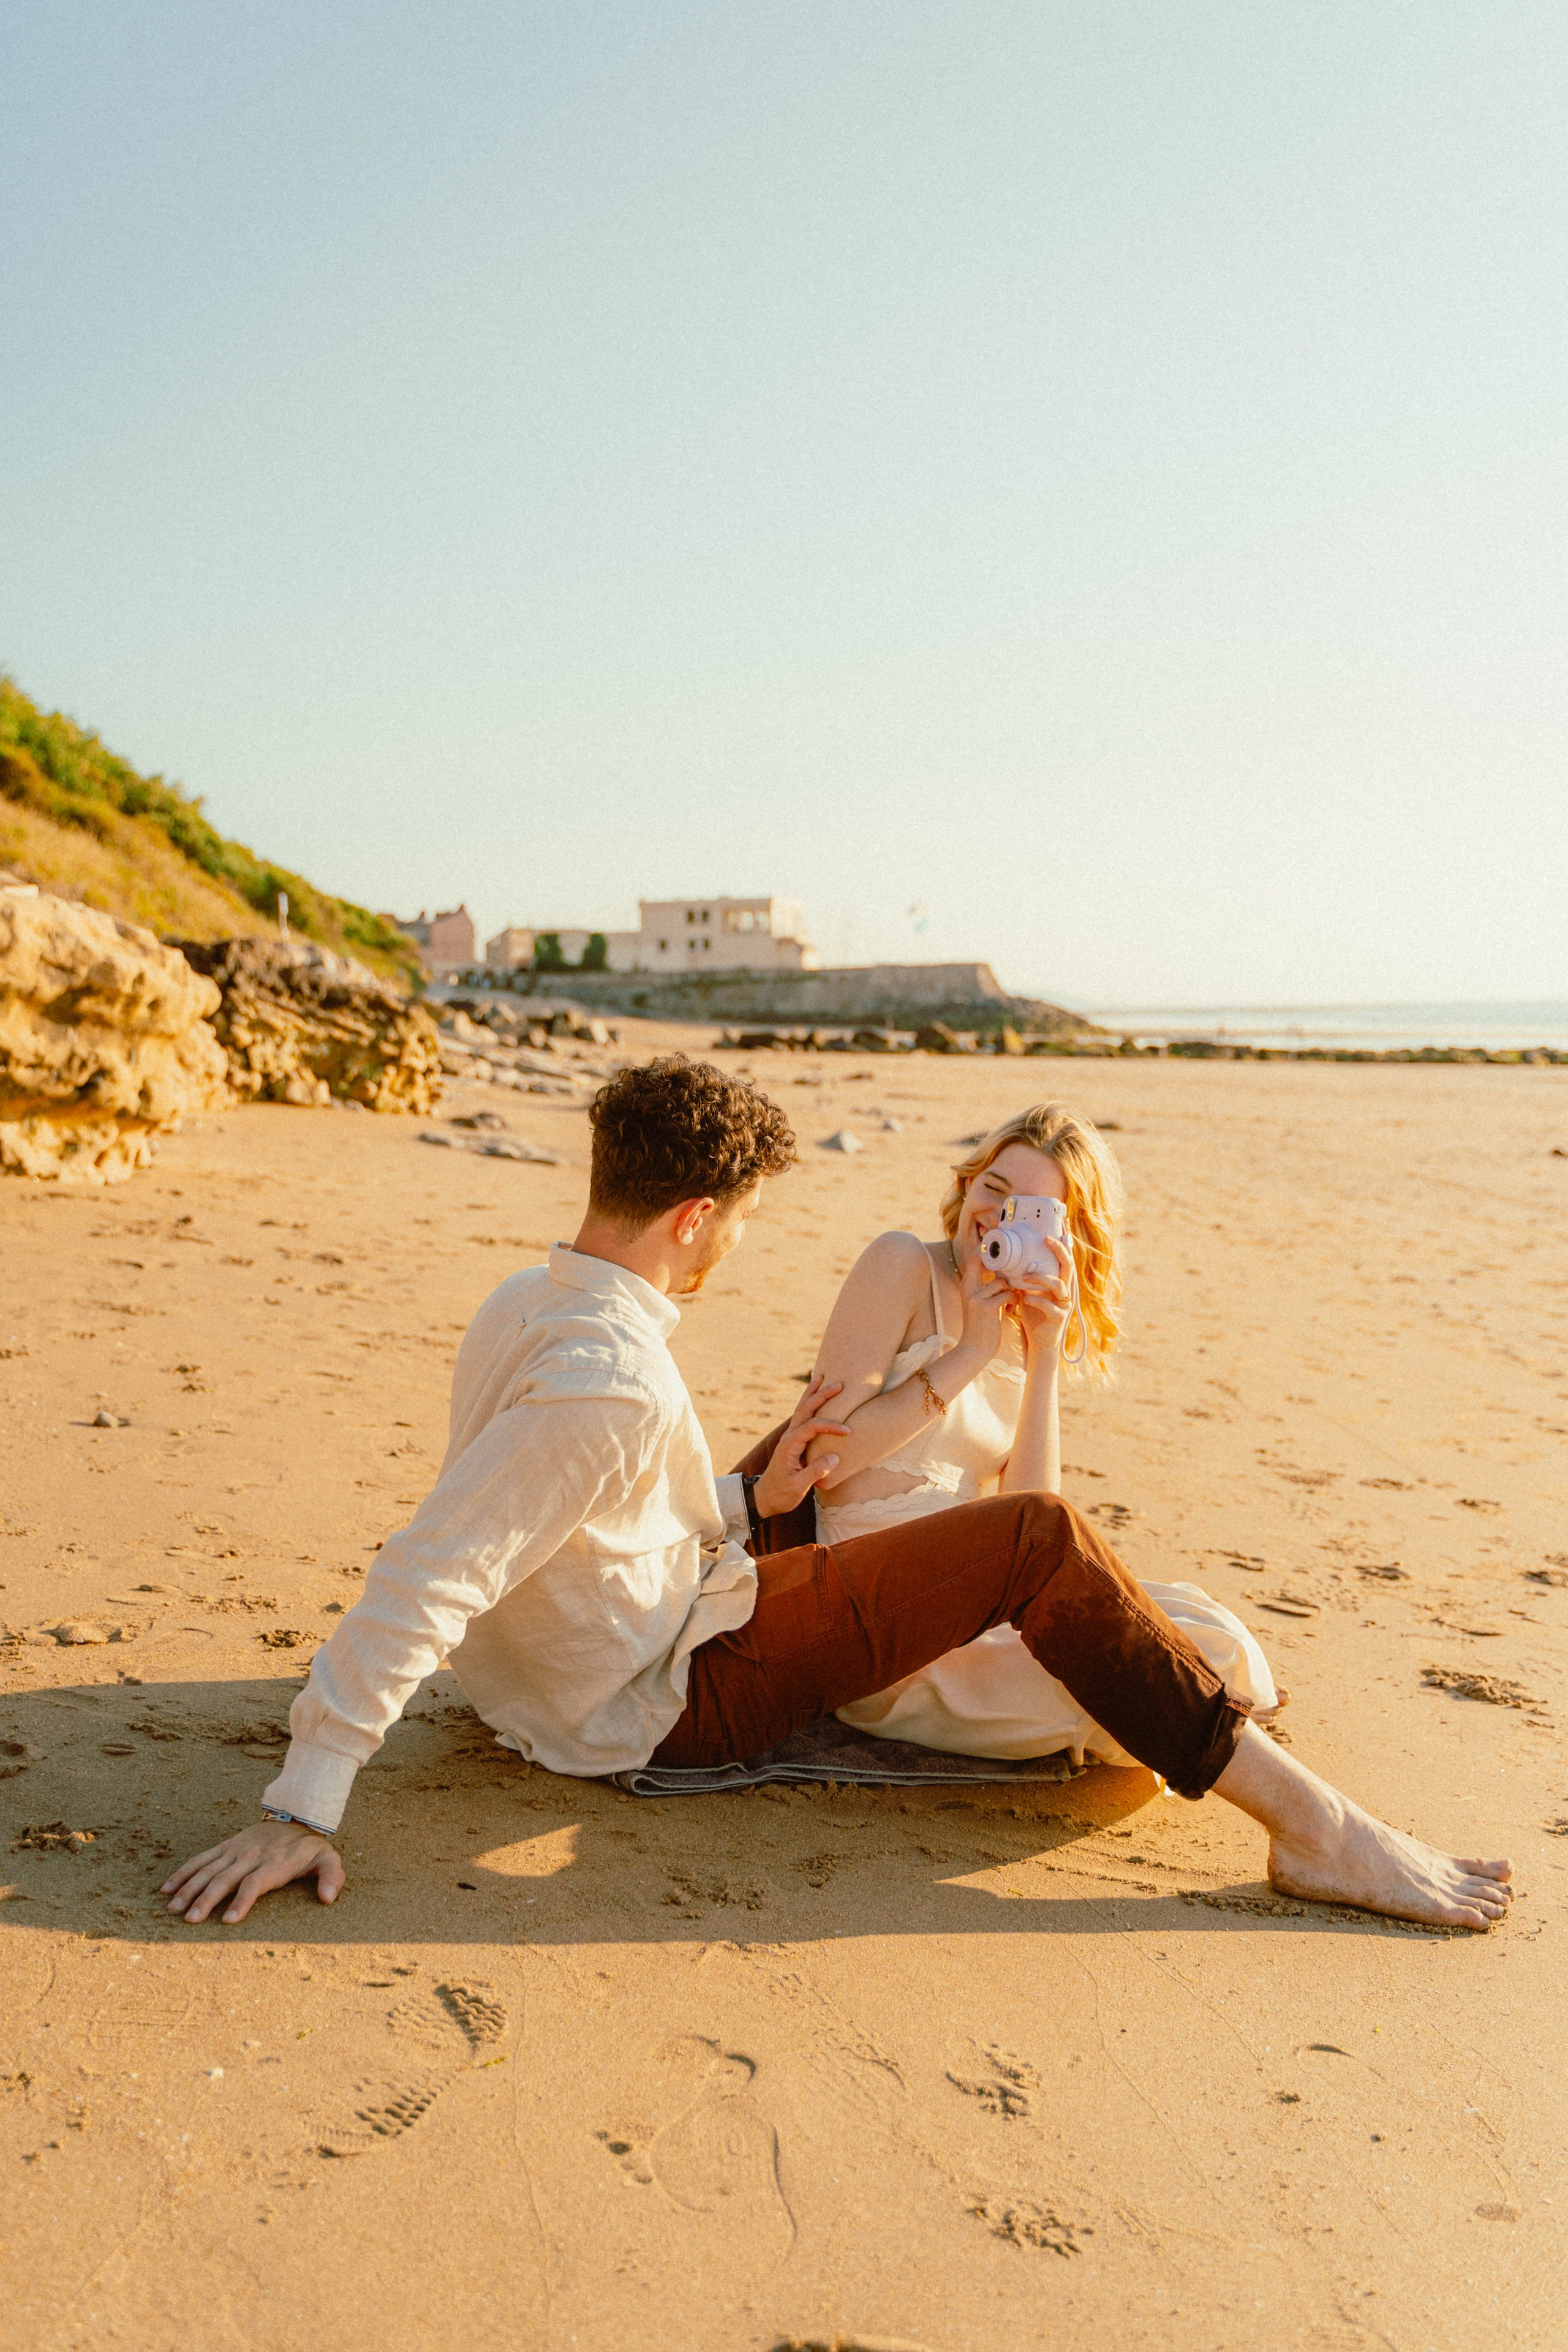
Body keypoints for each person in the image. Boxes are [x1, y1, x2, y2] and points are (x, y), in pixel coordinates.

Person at [163, 1058, 1512, 1934]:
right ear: (696, 1217)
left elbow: (590, 1511)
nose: (738, 1244)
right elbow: (433, 1567)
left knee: (1084, 1579)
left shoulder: (534, 1303)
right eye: (740, 1220)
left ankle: (1266, 1785)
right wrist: (303, 1799)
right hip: (658, 1701)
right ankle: (1316, 1832)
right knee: (1041, 1541)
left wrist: (760, 1496)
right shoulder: (608, 1380)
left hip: (668, 1618)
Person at [801, 1103, 1278, 1766]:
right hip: (881, 1625)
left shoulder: (1025, 1321)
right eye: (992, 1189)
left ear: (1065, 1235)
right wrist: (969, 1350)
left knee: (1209, 1636)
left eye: (1030, 1211)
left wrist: (1045, 1352)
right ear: (967, 1182)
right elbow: (823, 1459)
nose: (996, 1217)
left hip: (979, 1604)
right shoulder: (902, 1264)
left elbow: (1028, 1519)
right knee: (1159, 1674)